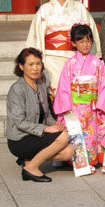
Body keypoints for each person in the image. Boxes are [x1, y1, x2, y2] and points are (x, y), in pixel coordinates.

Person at [26, 0, 101, 99]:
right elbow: (36, 38)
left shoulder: (79, 8)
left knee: (79, 98)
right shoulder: (44, 11)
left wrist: (94, 58)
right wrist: (38, 64)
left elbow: (91, 35)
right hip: (51, 61)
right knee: (55, 96)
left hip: (77, 59)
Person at [6, 48, 74, 182]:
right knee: (63, 137)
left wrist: (54, 124)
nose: (35, 68)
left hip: (35, 136)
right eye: (30, 64)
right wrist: (46, 129)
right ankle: (31, 169)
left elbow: (46, 114)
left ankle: (28, 160)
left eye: (38, 63)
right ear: (21, 66)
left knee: (69, 151)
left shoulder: (41, 85)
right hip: (20, 139)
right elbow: (19, 122)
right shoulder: (17, 89)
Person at [53, 23, 105, 167]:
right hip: (75, 106)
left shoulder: (98, 63)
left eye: (88, 41)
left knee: (92, 133)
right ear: (74, 43)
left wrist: (100, 105)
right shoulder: (70, 64)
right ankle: (72, 160)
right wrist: (68, 107)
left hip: (92, 106)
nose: (85, 45)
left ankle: (90, 160)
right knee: (75, 132)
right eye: (81, 41)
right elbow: (64, 87)